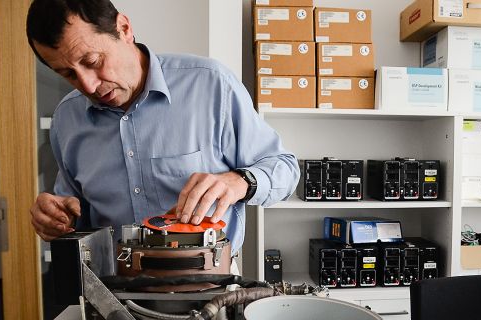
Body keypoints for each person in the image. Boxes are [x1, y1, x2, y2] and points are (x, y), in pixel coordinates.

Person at [26, 0, 299, 261]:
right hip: (111, 287)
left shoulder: (211, 84)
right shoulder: (66, 118)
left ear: (124, 29)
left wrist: (240, 181)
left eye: (93, 61)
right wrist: (57, 217)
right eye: (67, 74)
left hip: (212, 284)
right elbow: (74, 207)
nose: (87, 86)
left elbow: (285, 170)